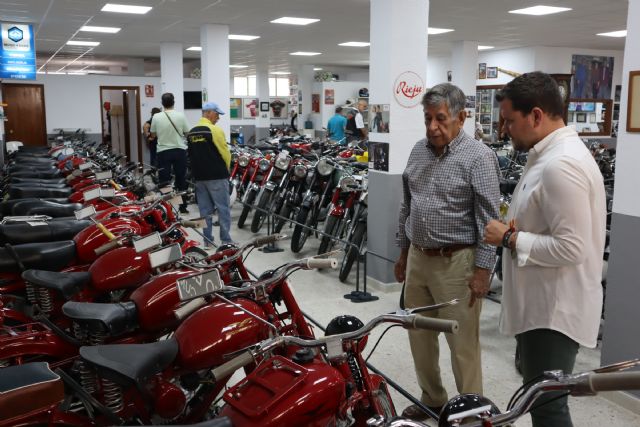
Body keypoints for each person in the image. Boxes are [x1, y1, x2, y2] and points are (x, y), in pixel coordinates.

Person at [484, 71, 606, 427]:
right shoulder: (548, 155)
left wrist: (509, 239)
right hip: (541, 303)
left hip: (554, 310)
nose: (505, 130)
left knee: (547, 405)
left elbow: (572, 247)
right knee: (539, 396)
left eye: (509, 120)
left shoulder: (561, 165)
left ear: (536, 115)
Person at [394, 83, 501, 421]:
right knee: (419, 335)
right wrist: (402, 251)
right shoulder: (418, 151)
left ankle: (471, 411)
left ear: (461, 118)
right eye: (428, 119)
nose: (432, 127)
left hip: (458, 264)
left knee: (462, 344)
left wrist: (483, 271)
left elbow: (489, 220)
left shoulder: (479, 157)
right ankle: (434, 397)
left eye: (440, 119)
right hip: (418, 259)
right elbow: (406, 206)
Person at [186, 102, 233, 247]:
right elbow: (225, 153)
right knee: (223, 209)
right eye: (217, 114)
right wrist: (227, 168)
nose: (218, 117)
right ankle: (226, 240)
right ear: (208, 113)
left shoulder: (192, 132)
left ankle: (207, 241)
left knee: (204, 211)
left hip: (200, 177)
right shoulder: (215, 130)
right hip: (217, 176)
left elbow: (191, 155)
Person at [150, 93, 190, 213]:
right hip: (179, 151)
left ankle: (166, 207)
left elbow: (153, 134)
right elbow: (187, 133)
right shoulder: (180, 116)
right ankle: (182, 207)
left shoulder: (156, 117)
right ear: (174, 102)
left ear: (162, 103)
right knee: (180, 178)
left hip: (163, 152)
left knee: (164, 180)